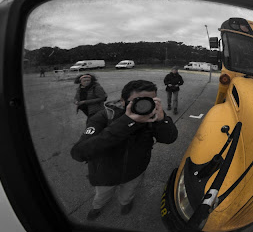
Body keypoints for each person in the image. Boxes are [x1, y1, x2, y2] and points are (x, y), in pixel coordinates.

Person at [71, 80, 178, 220]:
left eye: (150, 100)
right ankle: (97, 207)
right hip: (105, 174)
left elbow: (169, 138)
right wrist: (127, 122)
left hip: (135, 172)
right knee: (102, 195)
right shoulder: (104, 116)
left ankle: (125, 203)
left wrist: (162, 119)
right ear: (123, 101)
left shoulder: (153, 118)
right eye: (138, 100)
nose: (144, 105)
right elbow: (79, 152)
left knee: (128, 193)